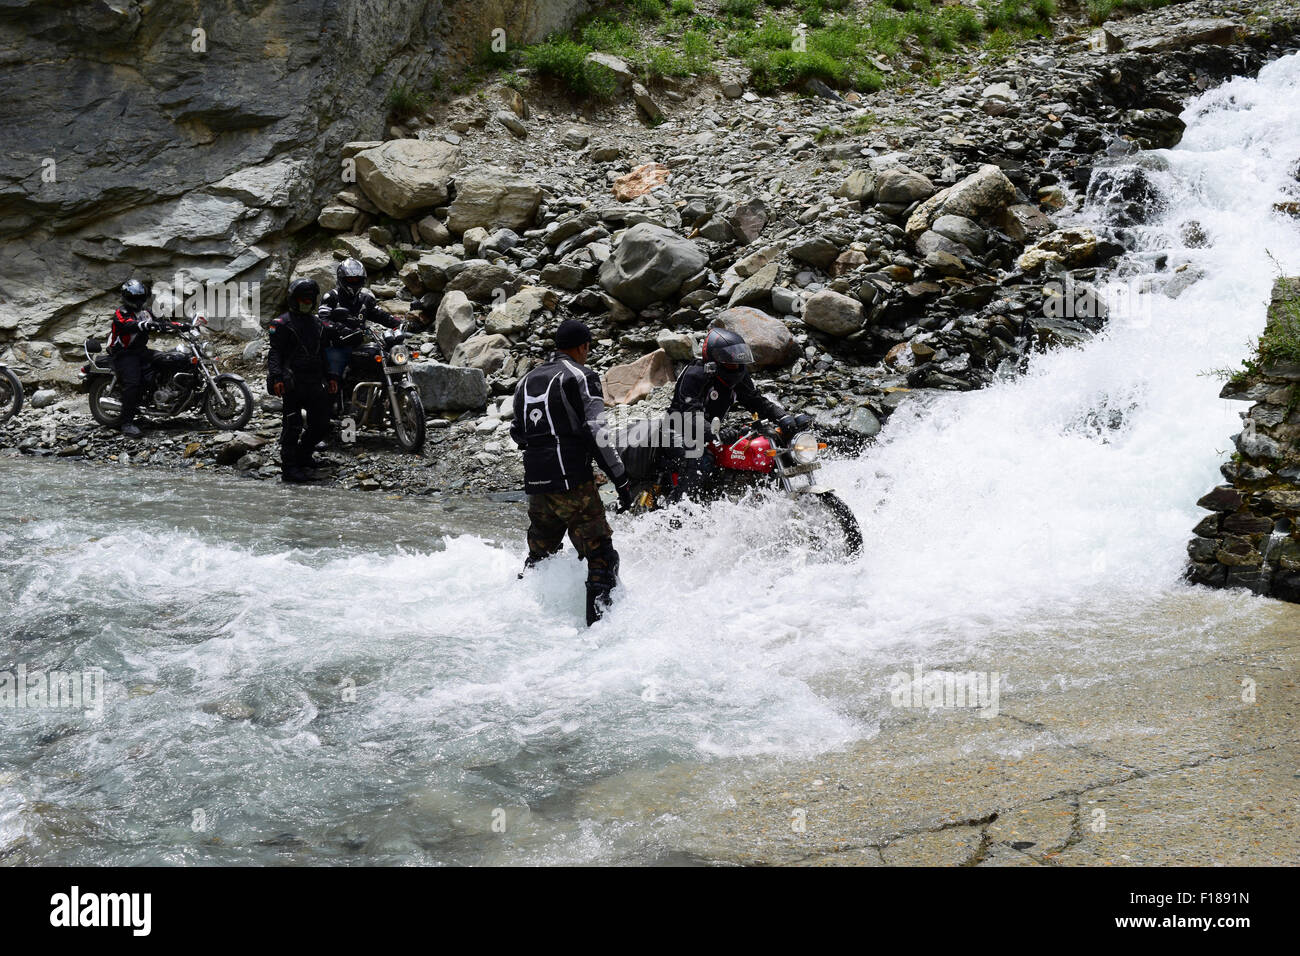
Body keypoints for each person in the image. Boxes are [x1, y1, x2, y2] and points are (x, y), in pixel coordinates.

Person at [511, 319, 633, 626]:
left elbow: (517, 431)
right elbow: (597, 431)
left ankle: (516, 617)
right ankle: (601, 635)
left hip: (536, 482)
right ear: (583, 346)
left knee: (540, 557)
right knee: (602, 556)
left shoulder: (526, 380)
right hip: (571, 480)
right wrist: (620, 478)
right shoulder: (582, 375)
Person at [664, 327, 798, 501]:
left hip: (709, 431)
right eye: (730, 362)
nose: (735, 366)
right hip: (677, 431)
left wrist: (783, 417)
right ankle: (677, 513)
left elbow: (756, 401)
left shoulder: (738, 375)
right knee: (700, 459)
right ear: (714, 360)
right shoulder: (696, 373)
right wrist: (715, 432)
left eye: (737, 362)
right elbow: (690, 414)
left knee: (767, 448)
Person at [268, 278, 337, 484]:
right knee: (293, 426)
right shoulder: (281, 324)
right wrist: (277, 377)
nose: (306, 303)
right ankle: (289, 469)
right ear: (293, 300)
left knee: (322, 424)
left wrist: (332, 376)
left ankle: (303, 456)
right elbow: (275, 353)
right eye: (302, 299)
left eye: (309, 300)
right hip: (292, 383)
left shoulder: (318, 324)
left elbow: (324, 353)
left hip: (315, 382)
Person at [105, 279, 184, 438]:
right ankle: (126, 423)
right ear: (127, 297)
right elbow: (128, 325)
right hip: (123, 353)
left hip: (140, 351)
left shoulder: (146, 312)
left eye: (141, 296)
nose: (138, 300)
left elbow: (162, 322)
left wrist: (184, 326)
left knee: (168, 359)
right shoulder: (121, 312)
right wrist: (147, 325)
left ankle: (160, 395)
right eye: (135, 297)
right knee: (133, 382)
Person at [318, 258, 402, 400]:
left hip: (359, 343)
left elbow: (381, 315)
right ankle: (334, 405)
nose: (354, 282)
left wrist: (399, 324)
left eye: (358, 279)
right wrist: (339, 328)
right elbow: (322, 320)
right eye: (350, 280)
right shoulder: (331, 297)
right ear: (341, 279)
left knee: (386, 360)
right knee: (334, 376)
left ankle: (382, 400)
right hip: (337, 344)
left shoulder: (365, 298)